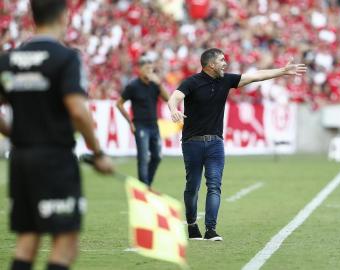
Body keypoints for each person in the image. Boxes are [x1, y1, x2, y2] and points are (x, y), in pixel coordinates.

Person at [0, 1, 114, 270]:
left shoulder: (9, 60)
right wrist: (97, 152)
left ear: (32, 17)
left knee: (27, 240)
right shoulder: (66, 58)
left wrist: (14, 133)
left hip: (20, 158)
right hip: (54, 158)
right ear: (65, 16)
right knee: (65, 243)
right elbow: (77, 110)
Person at [168, 48, 307, 241]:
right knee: (193, 187)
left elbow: (256, 76)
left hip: (216, 143)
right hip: (192, 143)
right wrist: (173, 109)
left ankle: (210, 230)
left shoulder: (226, 80)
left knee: (214, 185)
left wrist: (282, 71)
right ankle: (192, 224)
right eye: (222, 60)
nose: (226, 63)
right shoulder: (192, 82)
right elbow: (174, 97)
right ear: (210, 65)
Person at [116, 57, 169, 187]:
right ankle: (144, 187)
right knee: (143, 157)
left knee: (157, 156)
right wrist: (130, 122)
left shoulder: (155, 85)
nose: (149, 71)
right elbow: (119, 104)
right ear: (139, 70)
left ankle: (147, 184)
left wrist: (159, 83)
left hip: (153, 125)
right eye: (146, 69)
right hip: (140, 125)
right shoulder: (133, 86)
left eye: (151, 69)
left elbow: (168, 99)